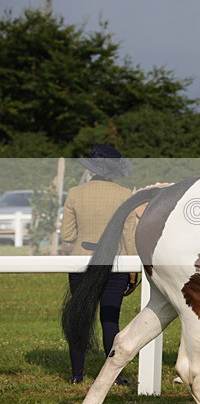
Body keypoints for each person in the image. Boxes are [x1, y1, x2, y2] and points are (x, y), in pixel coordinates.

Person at [61, 144, 138, 385]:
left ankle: (76, 375)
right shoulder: (125, 194)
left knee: (80, 318)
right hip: (115, 264)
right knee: (110, 319)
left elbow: (66, 235)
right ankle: (114, 376)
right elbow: (129, 237)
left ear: (91, 168)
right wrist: (132, 272)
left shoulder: (75, 193)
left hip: (81, 262)